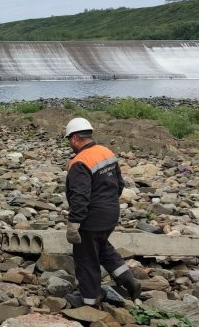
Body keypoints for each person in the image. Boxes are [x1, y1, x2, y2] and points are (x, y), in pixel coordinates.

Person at [64, 117, 141, 308]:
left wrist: (74, 223)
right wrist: (108, 204)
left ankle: (89, 301)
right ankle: (129, 280)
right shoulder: (106, 152)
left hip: (92, 218)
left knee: (86, 258)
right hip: (111, 214)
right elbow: (119, 184)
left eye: (69, 140)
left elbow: (80, 196)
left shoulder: (80, 161)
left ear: (74, 138)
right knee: (102, 248)